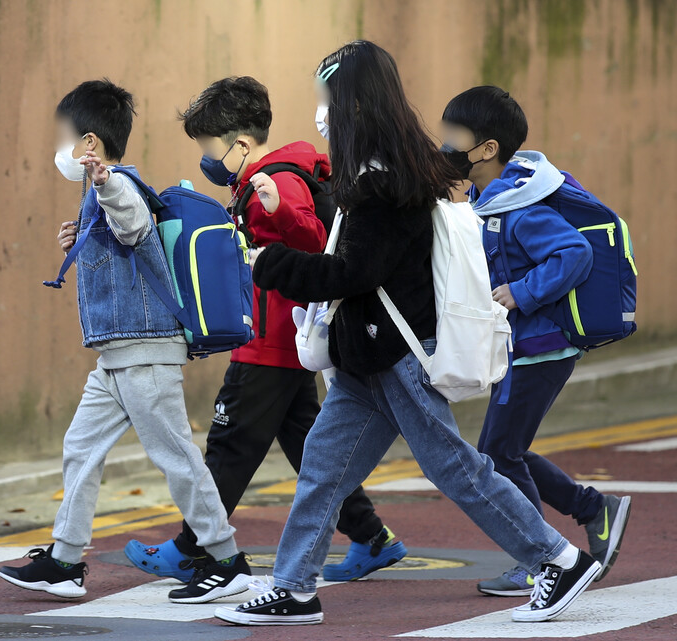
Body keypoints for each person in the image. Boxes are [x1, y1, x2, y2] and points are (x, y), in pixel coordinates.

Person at [214, 41, 601, 627]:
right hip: (367, 355)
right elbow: (356, 257)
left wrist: (269, 263)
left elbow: (354, 272)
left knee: (456, 469)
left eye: (326, 101)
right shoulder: (388, 168)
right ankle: (294, 588)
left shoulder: (384, 180)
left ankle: (558, 559)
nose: (319, 114)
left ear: (353, 104)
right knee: (322, 467)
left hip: (398, 353)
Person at [124, 76, 406, 586]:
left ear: (240, 143)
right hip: (284, 338)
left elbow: (320, 246)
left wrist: (279, 209)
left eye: (210, 147)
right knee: (308, 448)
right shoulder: (265, 178)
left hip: (270, 339)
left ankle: (194, 548)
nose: (208, 159)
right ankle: (371, 536)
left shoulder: (274, 183)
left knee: (229, 445)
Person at [0, 79, 251, 604]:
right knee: (81, 447)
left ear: (89, 142)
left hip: (146, 354)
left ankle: (228, 561)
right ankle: (65, 561)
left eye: (65, 137)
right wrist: (81, 235)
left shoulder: (120, 185)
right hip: (116, 358)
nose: (60, 148)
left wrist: (106, 184)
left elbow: (135, 226)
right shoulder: (98, 194)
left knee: (176, 458)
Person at [439, 85, 631, 597]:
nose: (445, 145)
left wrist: (520, 292)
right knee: (504, 450)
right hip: (518, 347)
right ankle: (593, 509)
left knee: (498, 452)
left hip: (542, 347)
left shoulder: (522, 207)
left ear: (487, 148)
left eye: (454, 135)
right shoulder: (484, 199)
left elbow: (573, 254)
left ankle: (542, 558)